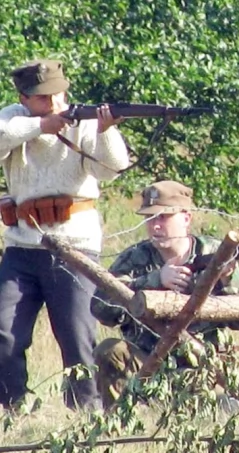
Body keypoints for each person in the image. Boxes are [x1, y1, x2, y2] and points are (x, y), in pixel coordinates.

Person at [0, 59, 130, 411]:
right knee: (3, 332)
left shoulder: (83, 120)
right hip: (22, 244)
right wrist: (40, 125)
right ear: (24, 98)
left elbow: (111, 170)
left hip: (75, 246)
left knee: (77, 338)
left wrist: (105, 131)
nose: (55, 104)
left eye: (58, 95)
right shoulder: (13, 118)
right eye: (44, 99)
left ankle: (83, 412)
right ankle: (14, 407)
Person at [90, 181, 239, 410]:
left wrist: (226, 280)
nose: (155, 226)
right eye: (150, 218)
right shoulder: (134, 258)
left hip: (202, 366)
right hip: (146, 362)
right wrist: (153, 281)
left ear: (186, 218)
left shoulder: (216, 252)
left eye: (163, 217)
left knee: (227, 412)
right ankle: (120, 423)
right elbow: (100, 308)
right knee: (109, 351)